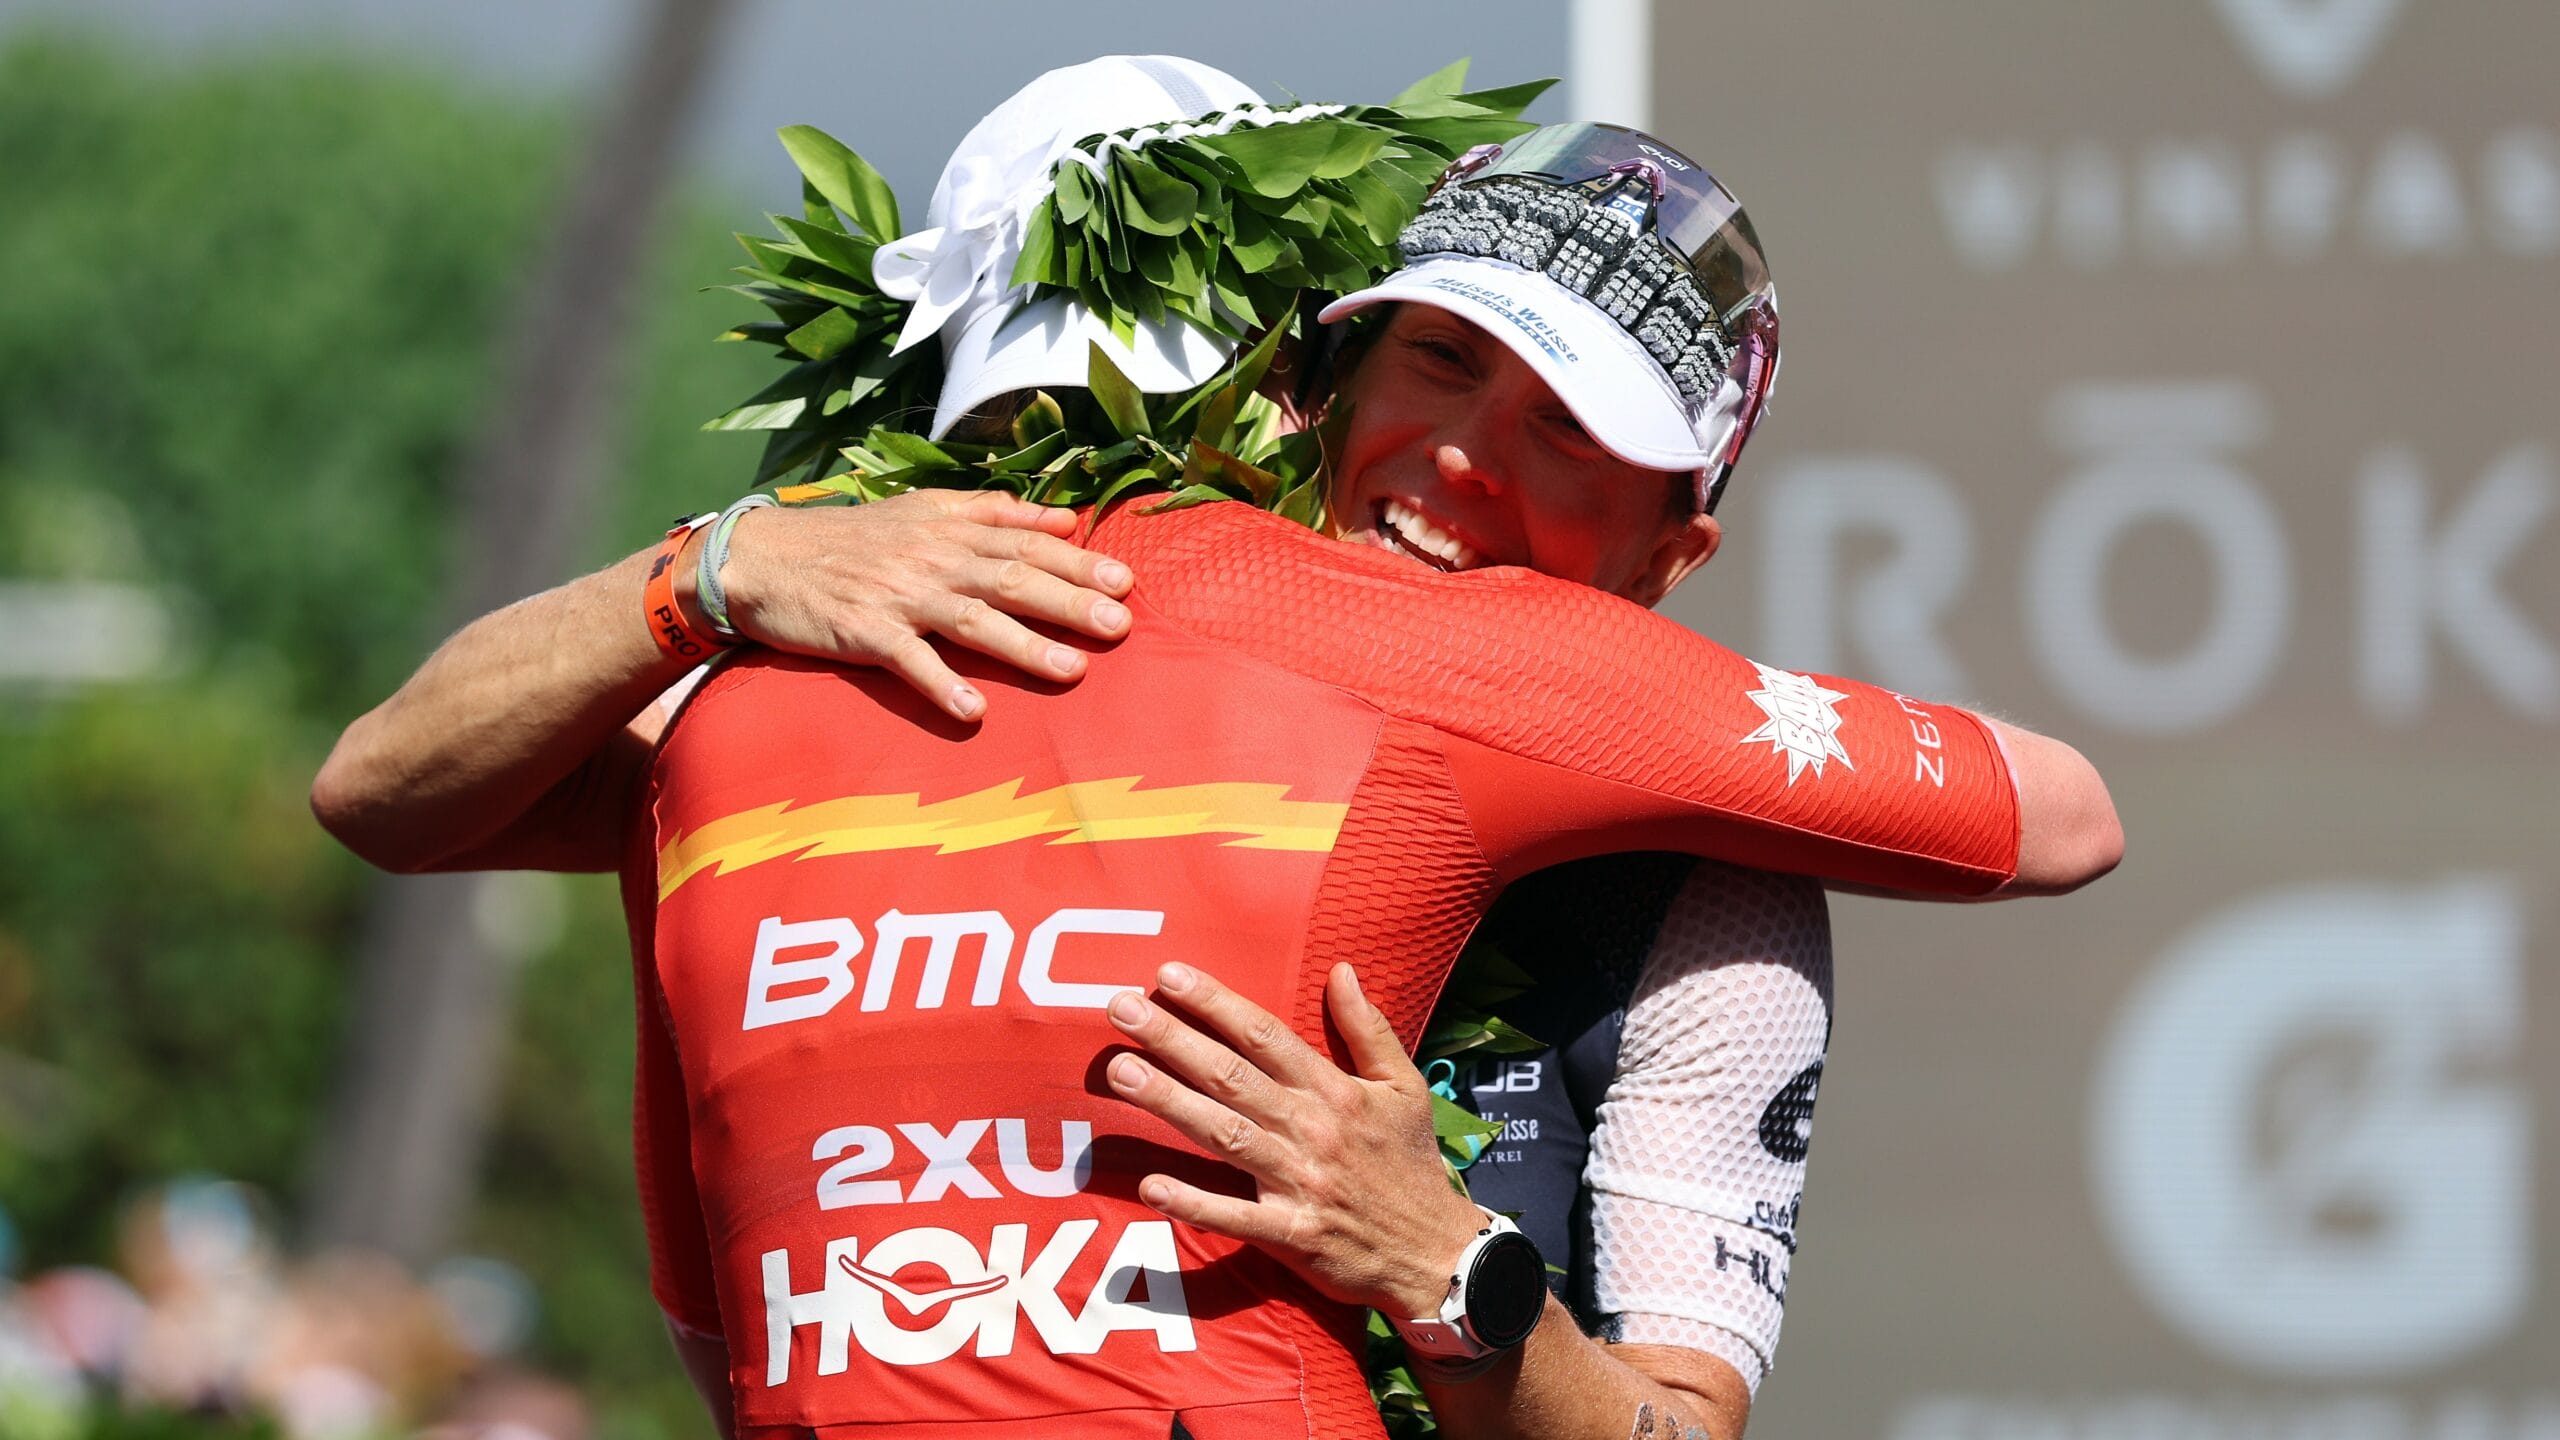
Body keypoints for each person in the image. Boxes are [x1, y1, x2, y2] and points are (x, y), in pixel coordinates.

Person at [314, 60, 2118, 1440]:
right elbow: (395, 792)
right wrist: (723, 564)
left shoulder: (1707, 869)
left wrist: (1450, 1274)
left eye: (1577, 433)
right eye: (1438, 365)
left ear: (1675, 550)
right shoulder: (894, 668)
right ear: (1307, 386)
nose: (1472, 462)